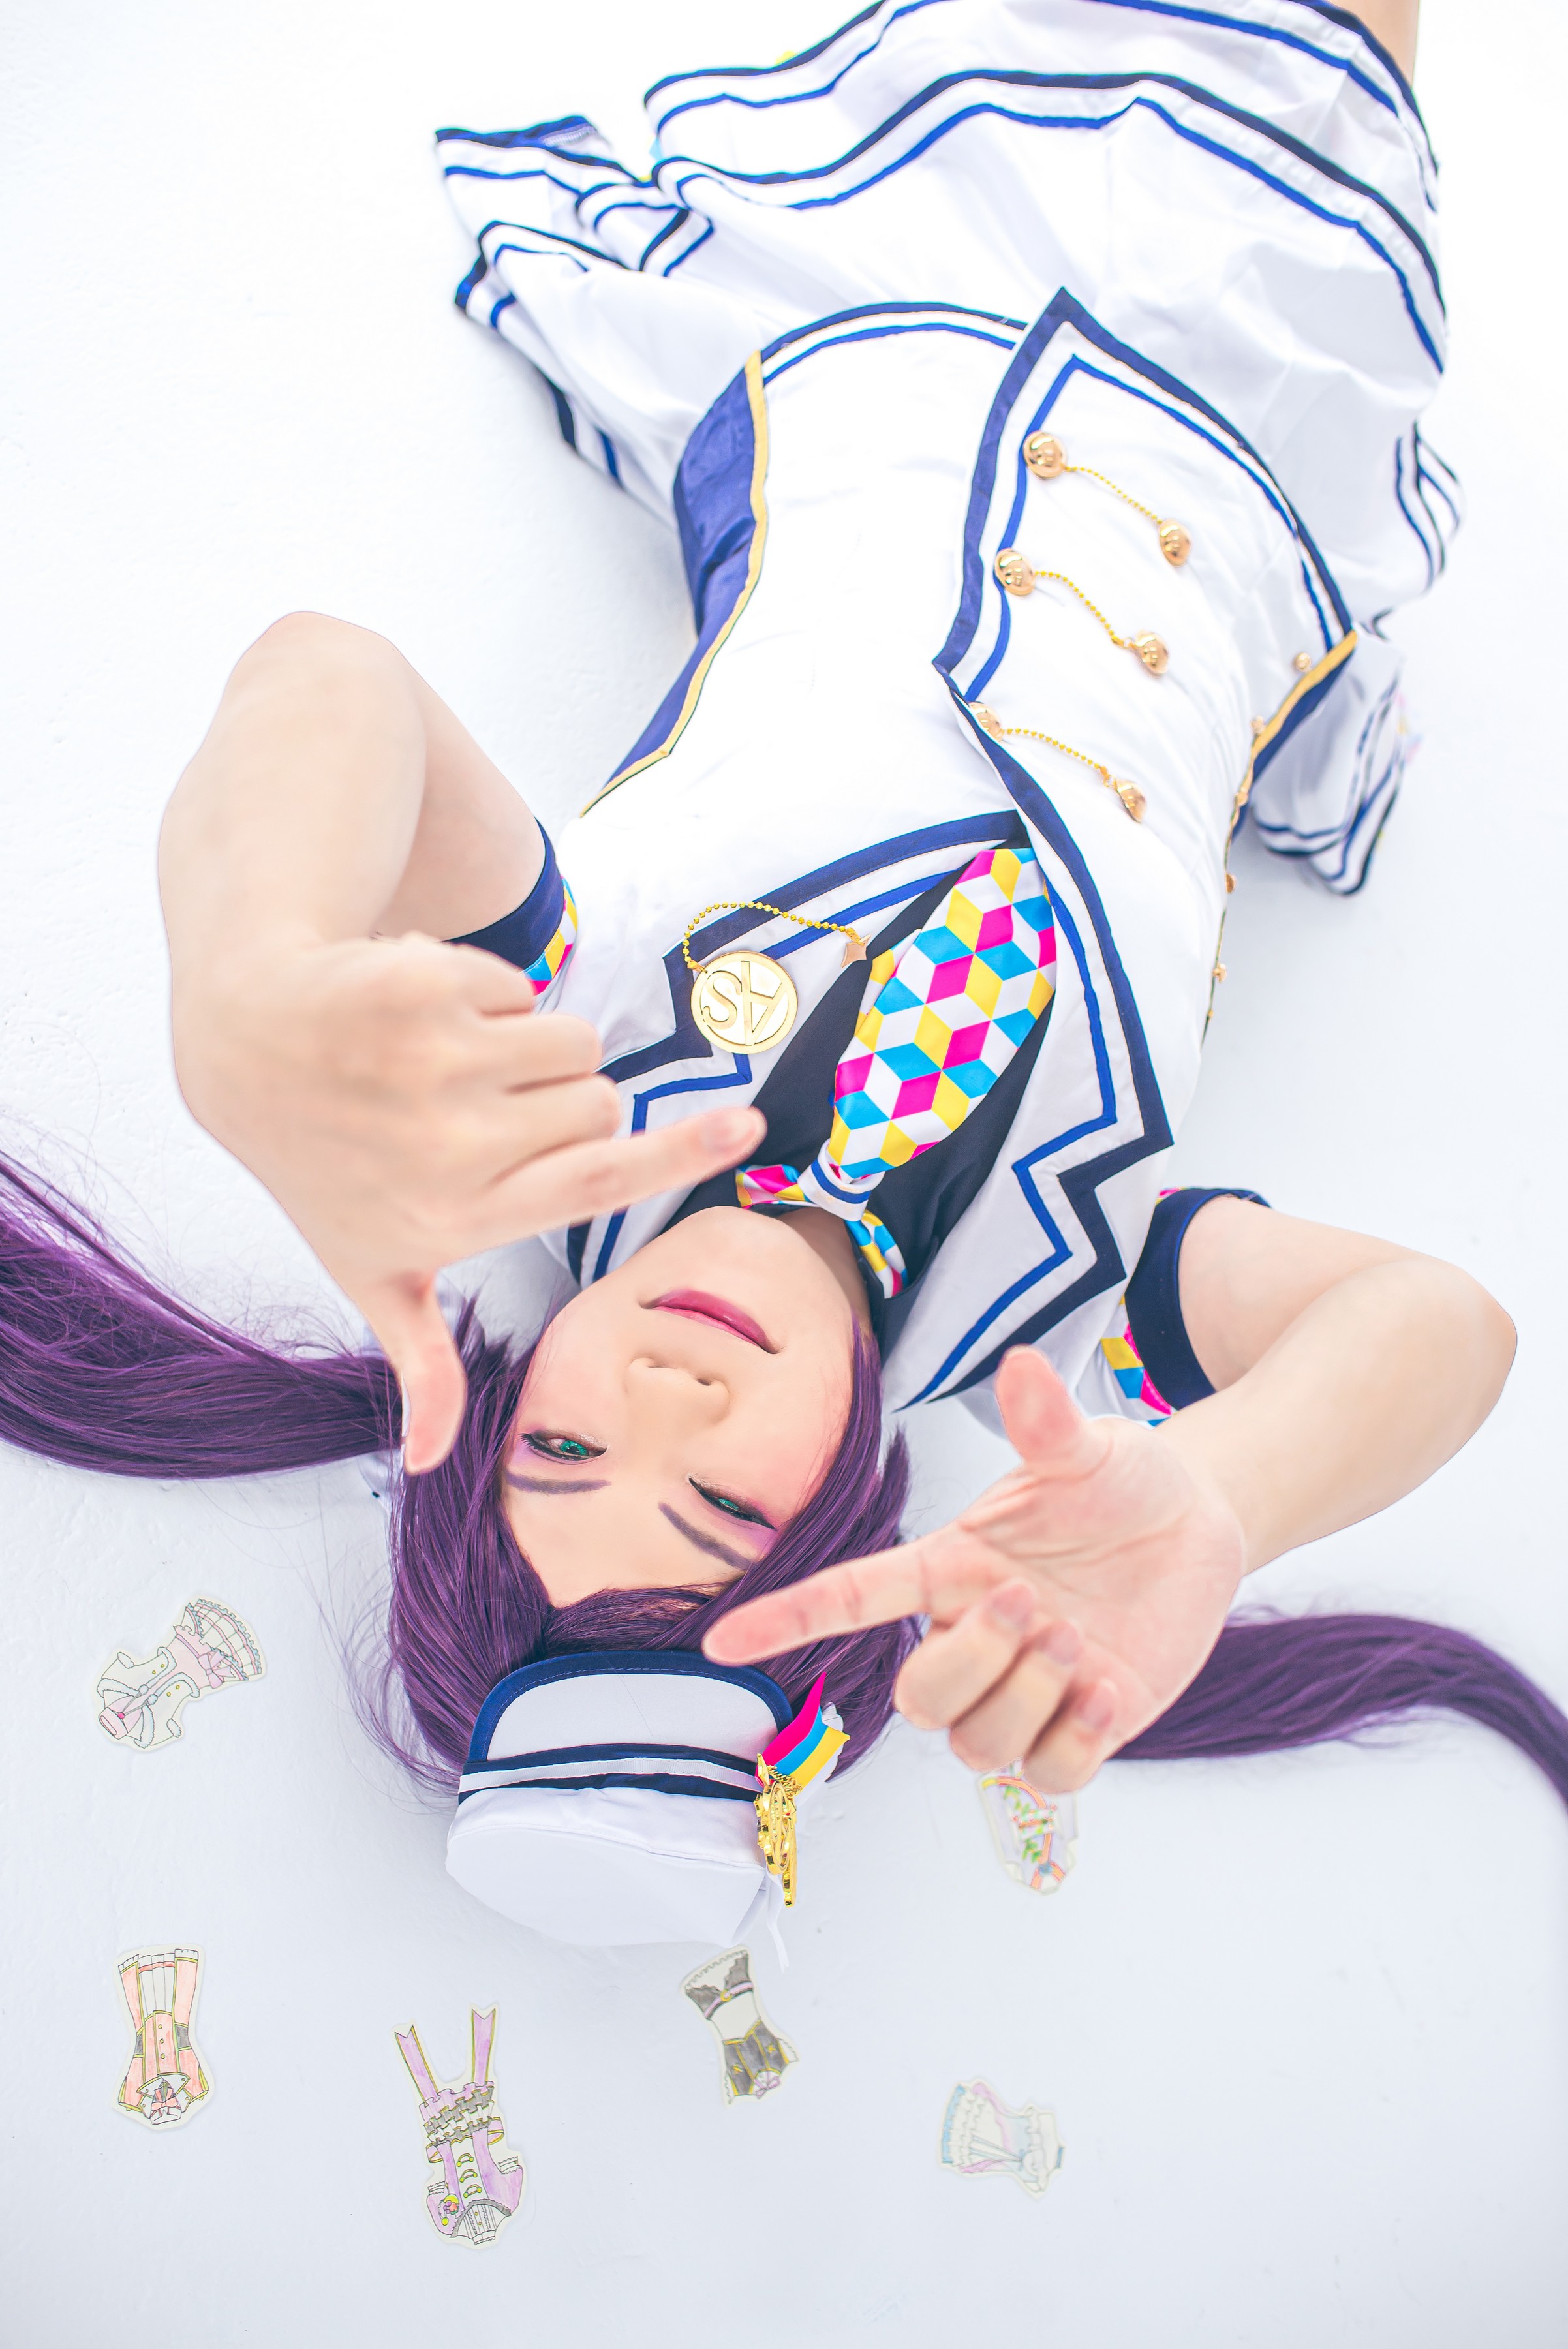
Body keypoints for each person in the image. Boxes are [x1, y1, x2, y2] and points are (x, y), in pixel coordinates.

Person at [4, 0, 1562, 1942]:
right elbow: (1437, 1327)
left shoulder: (564, 1090)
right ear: (848, 1513)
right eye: (726, 1506)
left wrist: (242, 982)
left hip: (907, 330)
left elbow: (330, 684)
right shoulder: (1059, 1314)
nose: (663, 1394)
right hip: (1237, 461)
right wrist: (1231, 1494)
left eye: (566, 1446)